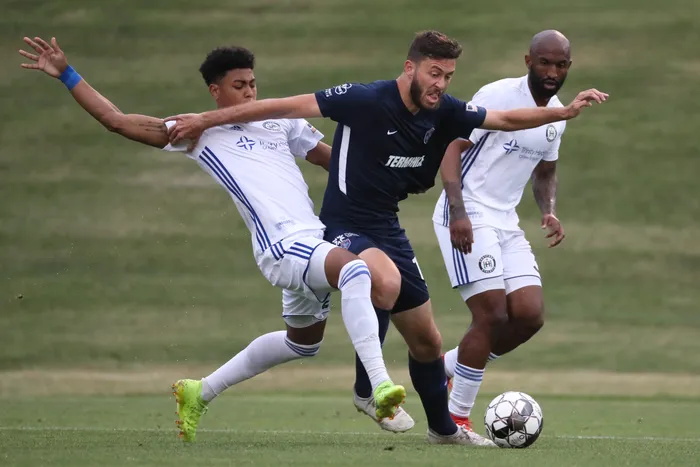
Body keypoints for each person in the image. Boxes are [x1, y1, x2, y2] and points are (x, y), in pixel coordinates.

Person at [166, 30, 607, 445]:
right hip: (344, 223)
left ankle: (444, 431)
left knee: (428, 341)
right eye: (434, 73)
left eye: (448, 75)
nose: (441, 83)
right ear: (410, 68)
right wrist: (208, 120)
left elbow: (506, 119)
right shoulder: (364, 98)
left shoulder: (445, 110)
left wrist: (563, 112)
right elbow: (281, 106)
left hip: (387, 226)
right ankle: (369, 390)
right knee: (385, 281)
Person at [18, 36, 406, 442]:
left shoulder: (281, 121)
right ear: (214, 91)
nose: (249, 91)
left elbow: (331, 160)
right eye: (239, 85)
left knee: (303, 344)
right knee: (356, 272)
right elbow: (117, 120)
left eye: (252, 83)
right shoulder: (196, 129)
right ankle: (378, 387)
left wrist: (386, 177)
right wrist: (67, 73)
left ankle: (199, 391)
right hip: (281, 244)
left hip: (310, 240)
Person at [433, 29, 574, 432]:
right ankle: (455, 418)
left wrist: (548, 210)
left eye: (560, 64)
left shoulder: (557, 117)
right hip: (467, 211)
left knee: (529, 316)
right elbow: (451, 148)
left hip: (505, 220)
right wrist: (458, 212)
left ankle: (447, 367)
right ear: (527, 61)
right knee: (492, 314)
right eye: (544, 62)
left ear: (568, 68)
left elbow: (546, 170)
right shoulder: (497, 95)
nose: (551, 71)